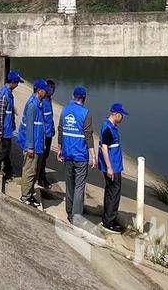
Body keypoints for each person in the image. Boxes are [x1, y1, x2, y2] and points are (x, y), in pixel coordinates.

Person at [56, 86, 94, 224]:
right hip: (81, 155)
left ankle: (69, 210)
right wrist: (93, 156)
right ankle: (76, 215)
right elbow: (88, 135)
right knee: (79, 186)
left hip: (67, 154)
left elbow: (60, 130)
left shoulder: (65, 110)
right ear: (84, 98)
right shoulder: (86, 113)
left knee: (69, 184)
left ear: (73, 96)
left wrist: (59, 148)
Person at [17, 79, 50, 208]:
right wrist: (30, 146)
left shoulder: (39, 104)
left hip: (38, 144)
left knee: (34, 171)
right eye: (45, 90)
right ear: (39, 91)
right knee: (29, 171)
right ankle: (25, 196)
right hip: (32, 146)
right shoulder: (32, 105)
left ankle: (30, 194)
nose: (46, 93)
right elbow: (30, 127)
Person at [98, 103, 128, 233]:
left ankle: (110, 217)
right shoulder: (108, 128)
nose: (123, 118)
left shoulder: (112, 127)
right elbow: (104, 148)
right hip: (112, 167)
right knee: (113, 194)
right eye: (122, 115)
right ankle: (108, 221)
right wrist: (109, 167)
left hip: (115, 165)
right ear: (116, 114)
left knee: (111, 192)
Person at [0, 71, 24, 178]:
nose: (17, 85)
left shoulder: (8, 92)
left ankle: (8, 169)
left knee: (7, 147)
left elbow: (8, 112)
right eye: (17, 83)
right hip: (4, 126)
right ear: (12, 82)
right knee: (6, 148)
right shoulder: (5, 94)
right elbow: (1, 112)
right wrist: (0, 128)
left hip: (7, 126)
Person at [36, 79, 56, 189]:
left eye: (53, 89)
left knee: (45, 157)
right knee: (42, 158)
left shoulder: (49, 100)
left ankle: (41, 177)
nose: (51, 91)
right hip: (43, 135)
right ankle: (41, 178)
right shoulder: (42, 101)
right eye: (49, 89)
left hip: (49, 134)